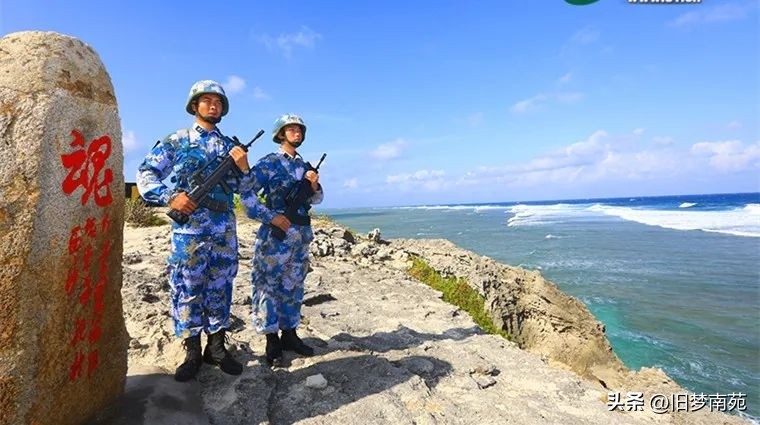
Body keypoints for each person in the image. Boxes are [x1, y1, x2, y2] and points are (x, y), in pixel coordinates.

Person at [136, 80, 249, 381]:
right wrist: (170, 196)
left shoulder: (230, 147)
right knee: (187, 286)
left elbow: (245, 190)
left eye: (218, 102)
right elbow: (146, 173)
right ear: (195, 105)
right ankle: (192, 351)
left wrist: (244, 167)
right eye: (207, 100)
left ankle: (217, 347)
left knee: (221, 284)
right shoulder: (178, 140)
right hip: (190, 231)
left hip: (223, 229)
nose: (213, 105)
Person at [241, 113, 323, 365]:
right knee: (268, 285)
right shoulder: (270, 163)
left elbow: (317, 199)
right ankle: (271, 339)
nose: (296, 132)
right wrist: (271, 217)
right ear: (281, 134)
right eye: (291, 129)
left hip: (300, 236)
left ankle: (290, 334)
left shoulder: (305, 166)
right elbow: (247, 194)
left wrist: (314, 185)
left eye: (299, 129)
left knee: (294, 285)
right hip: (275, 238)